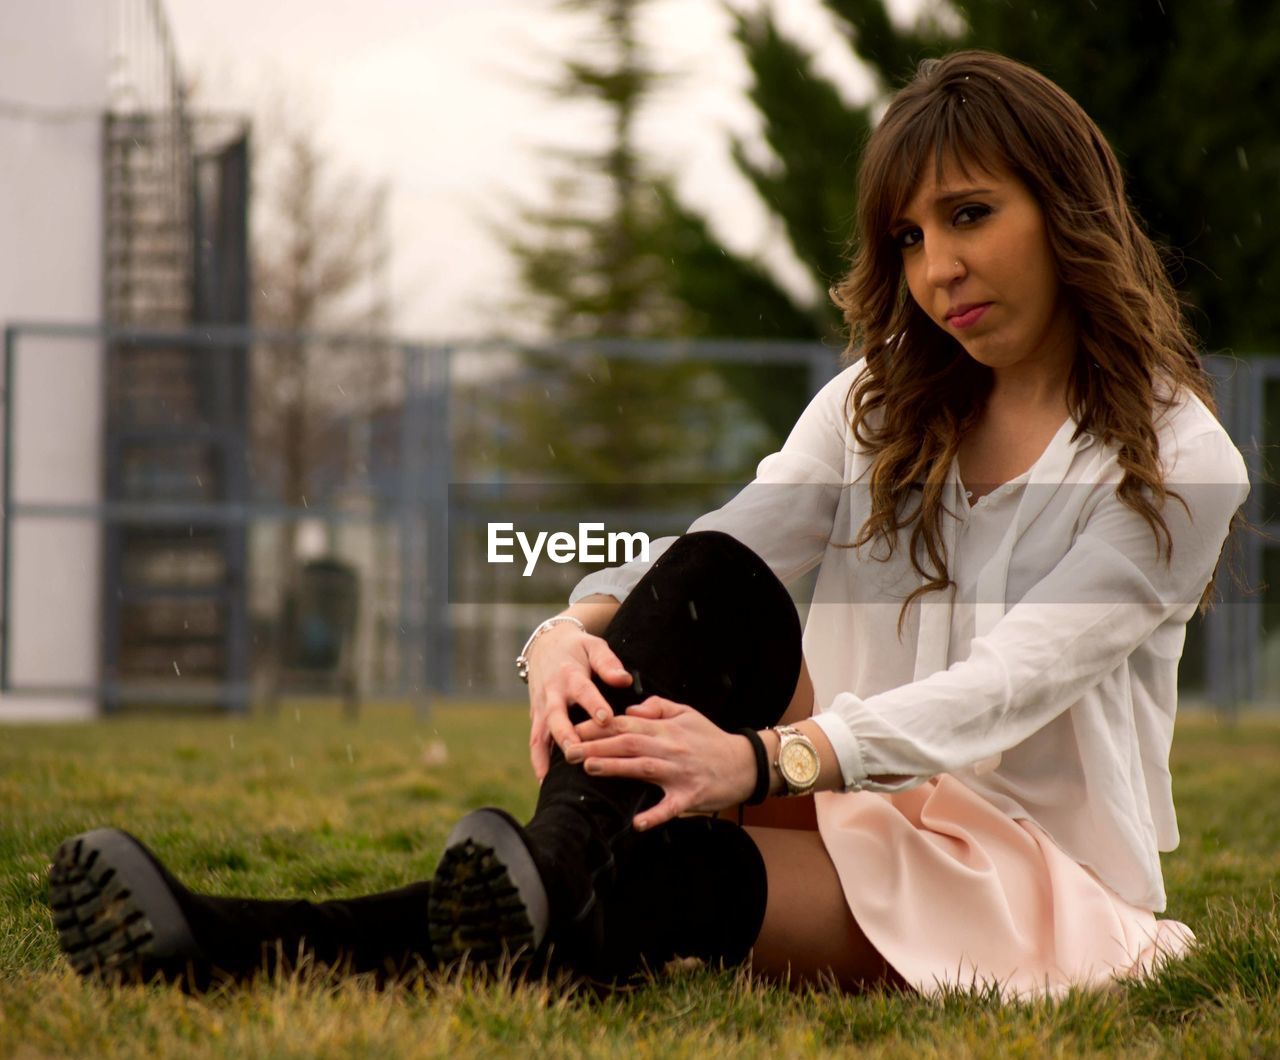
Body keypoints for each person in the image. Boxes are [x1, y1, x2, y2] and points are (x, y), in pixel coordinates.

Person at [50, 50, 1249, 999]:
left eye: (969, 216)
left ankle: (226, 941)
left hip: (1017, 874)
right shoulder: (877, 403)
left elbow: (1010, 683)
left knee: (663, 888)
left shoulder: (1180, 462)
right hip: (844, 797)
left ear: (1065, 209)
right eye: (907, 239)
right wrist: (564, 631)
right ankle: (555, 860)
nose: (936, 269)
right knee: (721, 579)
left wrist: (762, 760)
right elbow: (721, 549)